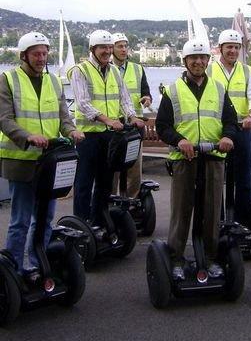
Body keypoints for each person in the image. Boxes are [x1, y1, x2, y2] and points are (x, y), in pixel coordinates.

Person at [0, 32, 84, 275]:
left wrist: (72, 131)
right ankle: (13, 271)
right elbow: (4, 119)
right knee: (20, 221)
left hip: (49, 161)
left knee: (45, 218)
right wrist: (27, 137)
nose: (41, 58)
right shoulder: (8, 79)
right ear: (24, 55)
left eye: (45, 53)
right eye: (36, 53)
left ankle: (38, 265)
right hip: (21, 160)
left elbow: (63, 117)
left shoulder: (54, 82)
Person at [155, 39, 238, 280]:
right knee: (181, 211)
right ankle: (176, 259)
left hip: (213, 157)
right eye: (194, 58)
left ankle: (210, 258)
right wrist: (180, 140)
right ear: (185, 61)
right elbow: (162, 126)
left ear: (208, 61)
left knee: (211, 212)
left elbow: (231, 122)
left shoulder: (219, 89)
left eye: (203, 58)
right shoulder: (173, 91)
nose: (198, 62)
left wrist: (227, 137)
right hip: (185, 159)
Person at [68, 29, 144, 221]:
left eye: (109, 47)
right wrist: (107, 120)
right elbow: (83, 103)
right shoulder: (80, 70)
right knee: (84, 182)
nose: (107, 51)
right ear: (92, 48)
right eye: (103, 47)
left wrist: (132, 116)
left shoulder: (114, 71)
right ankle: (82, 223)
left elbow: (124, 99)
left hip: (110, 136)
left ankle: (99, 220)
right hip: (88, 136)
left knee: (105, 181)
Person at [206, 29, 251, 225]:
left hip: (241, 129)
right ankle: (216, 220)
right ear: (220, 48)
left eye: (236, 47)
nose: (233, 51)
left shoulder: (247, 71)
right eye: (229, 47)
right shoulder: (209, 70)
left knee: (244, 178)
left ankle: (242, 222)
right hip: (216, 130)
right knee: (214, 177)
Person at [111, 32, 152, 198]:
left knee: (134, 171)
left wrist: (147, 99)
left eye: (125, 46)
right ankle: (110, 202)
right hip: (114, 126)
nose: (123, 49)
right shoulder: (107, 69)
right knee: (112, 171)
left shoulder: (137, 69)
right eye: (119, 46)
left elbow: (146, 92)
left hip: (134, 127)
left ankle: (132, 204)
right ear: (111, 48)